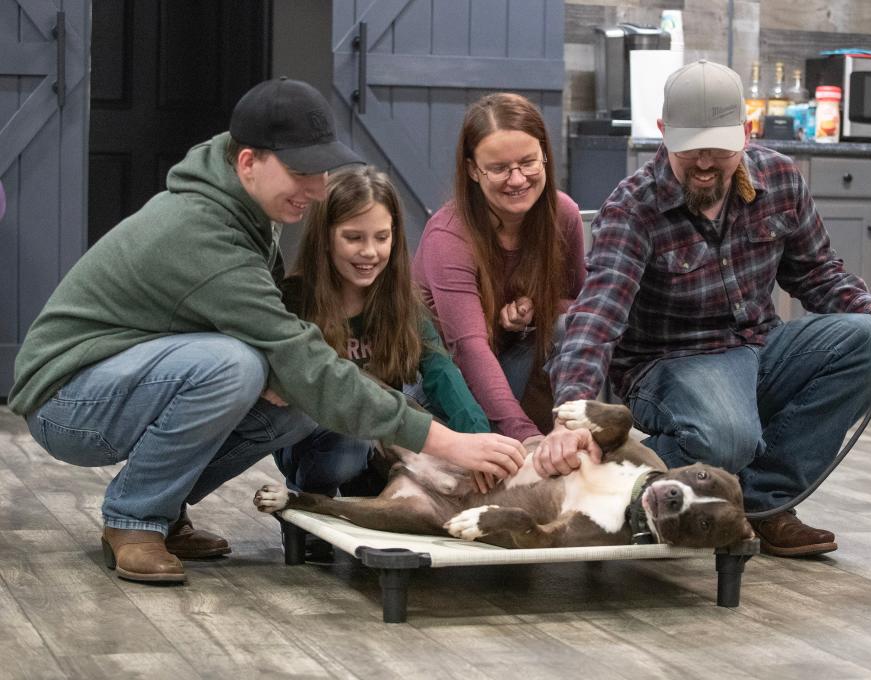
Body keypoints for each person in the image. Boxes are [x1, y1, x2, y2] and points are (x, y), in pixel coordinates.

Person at [8, 77, 525, 585]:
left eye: (322, 171)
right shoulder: (204, 231)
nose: (318, 189)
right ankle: (134, 519)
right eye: (303, 171)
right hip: (67, 401)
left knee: (294, 397)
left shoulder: (248, 208)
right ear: (249, 162)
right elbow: (297, 354)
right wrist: (449, 444)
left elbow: (314, 364)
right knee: (238, 366)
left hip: (126, 377)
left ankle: (162, 509)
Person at [539, 60, 871, 558]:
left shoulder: (781, 180)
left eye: (719, 149)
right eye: (690, 149)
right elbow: (597, 317)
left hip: (761, 349)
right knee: (727, 436)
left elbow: (818, 273)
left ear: (746, 132)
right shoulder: (633, 208)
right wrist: (573, 420)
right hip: (672, 364)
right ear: (662, 133)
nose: (704, 163)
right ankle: (628, 485)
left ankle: (765, 504)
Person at [273, 165, 494, 501]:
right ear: (326, 238)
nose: (370, 252)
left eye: (382, 237)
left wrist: (478, 439)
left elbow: (441, 372)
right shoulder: (295, 300)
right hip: (317, 440)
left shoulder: (401, 301)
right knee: (349, 440)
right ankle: (309, 497)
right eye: (353, 238)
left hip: (378, 437)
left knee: (438, 419)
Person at [412, 93, 586, 446]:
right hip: (446, 386)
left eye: (528, 162)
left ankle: (567, 437)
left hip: (515, 368)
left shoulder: (562, 214)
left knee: (570, 326)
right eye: (499, 168)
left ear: (545, 156)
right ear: (474, 170)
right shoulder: (449, 236)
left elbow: (582, 304)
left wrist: (541, 307)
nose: (518, 179)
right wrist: (525, 438)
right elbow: (470, 350)